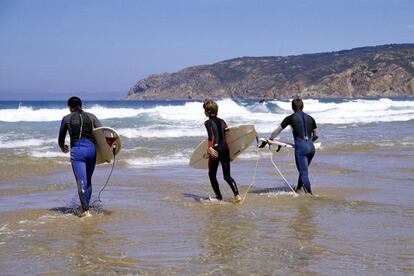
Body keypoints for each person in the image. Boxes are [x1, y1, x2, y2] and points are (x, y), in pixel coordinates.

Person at [58, 97, 102, 217]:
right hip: (92, 150)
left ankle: (85, 211)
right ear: (81, 105)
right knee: (88, 180)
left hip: (78, 152)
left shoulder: (67, 118)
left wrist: (63, 147)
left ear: (69, 107)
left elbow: (61, 138)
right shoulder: (92, 116)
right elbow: (102, 132)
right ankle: (86, 206)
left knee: (81, 181)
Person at [269, 98, 318, 194]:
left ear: (292, 107)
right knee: (303, 169)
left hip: (301, 149)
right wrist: (309, 142)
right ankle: (299, 189)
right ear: (303, 106)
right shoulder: (311, 118)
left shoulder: (290, 118)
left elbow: (276, 131)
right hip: (311, 148)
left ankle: (310, 196)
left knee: (303, 173)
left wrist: (270, 139)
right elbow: (316, 135)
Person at [203, 99, 242, 203]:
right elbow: (228, 134)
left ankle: (219, 196)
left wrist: (210, 148)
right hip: (225, 148)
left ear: (207, 112)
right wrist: (233, 151)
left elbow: (211, 137)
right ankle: (237, 195)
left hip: (215, 149)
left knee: (212, 174)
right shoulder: (222, 121)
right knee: (227, 176)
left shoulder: (207, 123)